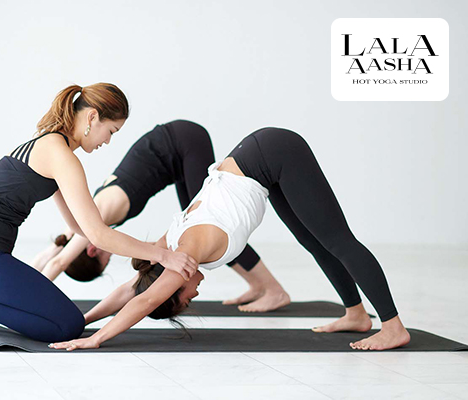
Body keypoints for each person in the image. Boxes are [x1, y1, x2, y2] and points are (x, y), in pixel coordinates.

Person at [49, 127, 411, 352]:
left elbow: (144, 300)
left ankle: (393, 326)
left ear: (174, 287)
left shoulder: (184, 255)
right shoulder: (164, 252)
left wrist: (96, 337)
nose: (194, 297)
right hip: (260, 163)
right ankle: (356, 314)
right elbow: (133, 288)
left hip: (272, 153)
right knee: (317, 242)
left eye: (184, 300)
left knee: (338, 240)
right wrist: (86, 319)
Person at [0, 83, 197, 345]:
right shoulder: (61, 155)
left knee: (66, 320)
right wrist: (162, 255)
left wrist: (150, 247)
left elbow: (78, 227)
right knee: (67, 326)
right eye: (111, 131)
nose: (107, 141)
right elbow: (97, 234)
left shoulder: (52, 143)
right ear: (92, 117)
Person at [31, 120, 290, 312]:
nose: (111, 255)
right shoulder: (82, 223)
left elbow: (59, 263)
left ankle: (273, 290)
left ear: (91, 250)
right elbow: (53, 253)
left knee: (213, 228)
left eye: (105, 260)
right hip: (175, 156)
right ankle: (259, 285)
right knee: (203, 233)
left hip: (183, 142)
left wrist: (28, 302)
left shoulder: (99, 216)